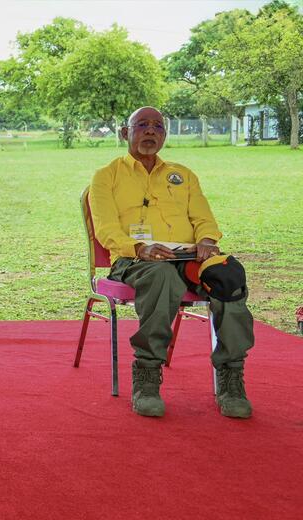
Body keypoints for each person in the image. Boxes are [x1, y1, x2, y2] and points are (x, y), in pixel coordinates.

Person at [89, 106, 254, 419]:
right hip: (133, 260)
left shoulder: (183, 175)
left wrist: (206, 241)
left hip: (188, 255)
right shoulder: (106, 176)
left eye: (158, 127)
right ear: (125, 133)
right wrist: (138, 248)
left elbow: (204, 219)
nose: (150, 131)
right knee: (162, 276)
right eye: (142, 125)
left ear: (164, 135)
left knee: (228, 275)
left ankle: (231, 377)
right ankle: (147, 375)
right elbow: (106, 228)